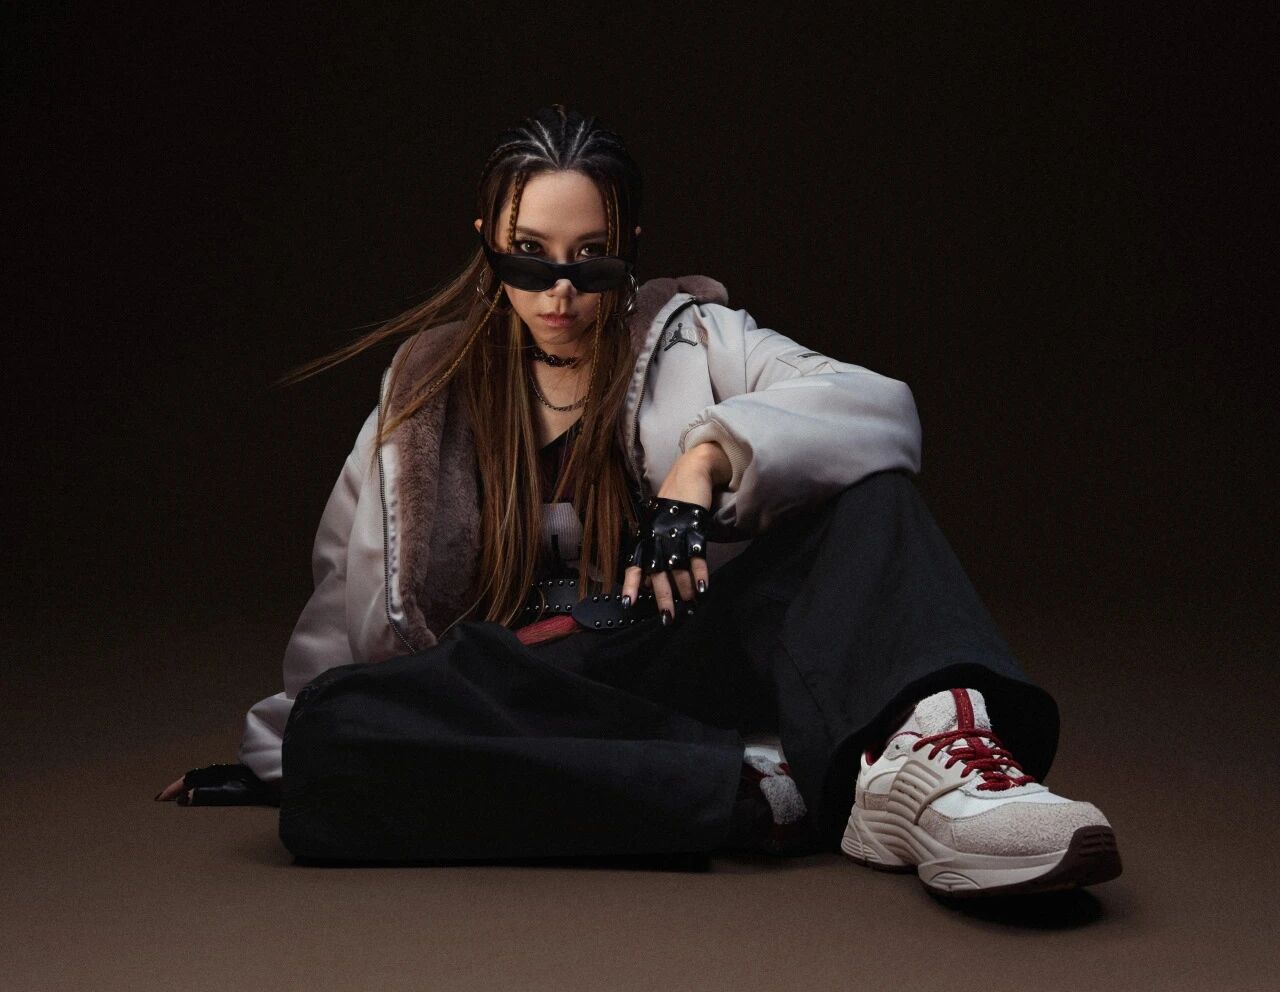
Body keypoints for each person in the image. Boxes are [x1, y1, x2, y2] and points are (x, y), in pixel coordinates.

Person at [158, 104, 1121, 898]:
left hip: (682, 643)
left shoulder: (698, 339)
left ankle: (945, 757)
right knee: (335, 733)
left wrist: (705, 459)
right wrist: (290, 750)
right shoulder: (424, 399)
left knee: (873, 500)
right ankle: (760, 784)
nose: (560, 293)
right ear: (487, 247)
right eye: (530, 256)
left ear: (630, 250)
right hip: (527, 686)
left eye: (592, 259)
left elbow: (877, 406)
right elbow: (345, 595)